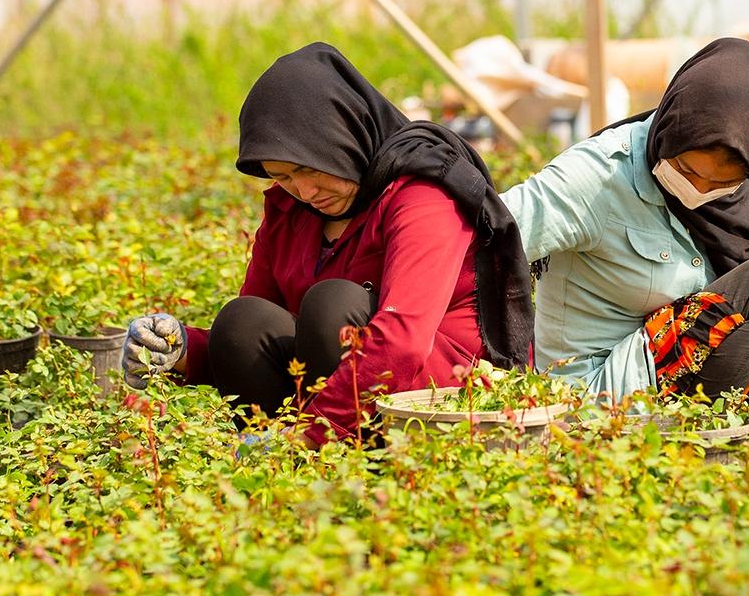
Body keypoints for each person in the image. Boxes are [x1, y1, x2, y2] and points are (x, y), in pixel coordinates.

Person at [121, 42, 533, 446]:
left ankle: (348, 468)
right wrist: (179, 351)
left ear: (342, 138)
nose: (303, 190)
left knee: (330, 307)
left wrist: (308, 437)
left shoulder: (423, 196)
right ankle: (274, 476)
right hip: (337, 399)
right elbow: (260, 333)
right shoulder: (291, 211)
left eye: (307, 168)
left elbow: (403, 341)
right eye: (282, 176)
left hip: (438, 395)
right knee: (242, 321)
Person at [499, 37, 749, 404]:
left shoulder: (741, 202)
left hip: (685, 360)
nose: (697, 190)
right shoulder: (598, 178)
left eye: (720, 184)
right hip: (601, 391)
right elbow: (489, 237)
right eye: (686, 170)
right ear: (670, 132)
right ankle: (706, 441)